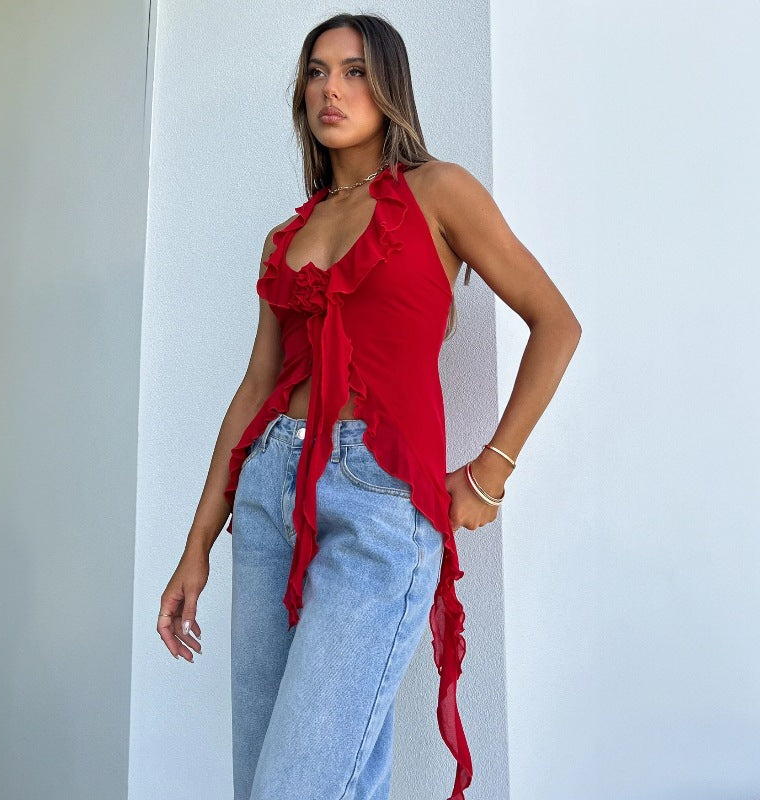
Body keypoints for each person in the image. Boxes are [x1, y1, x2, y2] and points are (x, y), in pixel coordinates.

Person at [157, 12, 581, 800]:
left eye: (354, 71)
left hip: (377, 502)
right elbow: (255, 390)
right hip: (268, 499)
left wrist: (492, 471)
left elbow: (557, 323)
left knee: (296, 786)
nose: (332, 89)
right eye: (317, 72)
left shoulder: (441, 191)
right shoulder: (285, 236)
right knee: (272, 782)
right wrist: (196, 547)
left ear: (389, 87)